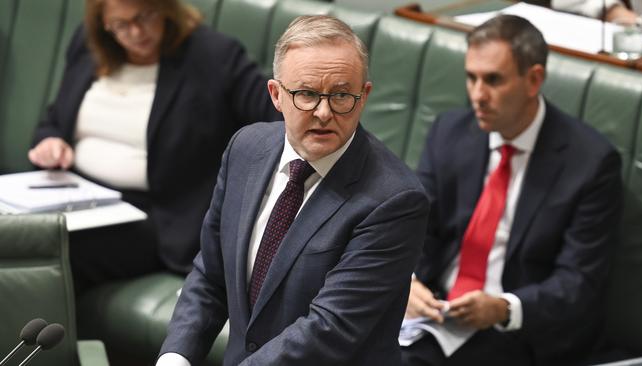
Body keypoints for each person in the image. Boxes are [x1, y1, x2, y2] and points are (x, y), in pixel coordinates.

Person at [156, 15, 429, 366]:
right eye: (307, 94)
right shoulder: (245, 149)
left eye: (342, 95)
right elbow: (211, 274)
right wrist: (176, 357)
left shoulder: (395, 200)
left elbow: (329, 329)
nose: (324, 112)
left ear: (364, 97)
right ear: (276, 94)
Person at [401, 15, 622, 366]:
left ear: (533, 79)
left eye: (493, 80)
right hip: (438, 311)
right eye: (471, 78)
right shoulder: (450, 133)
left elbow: (580, 282)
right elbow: (414, 225)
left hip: (518, 330)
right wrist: (408, 282)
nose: (477, 95)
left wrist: (505, 308)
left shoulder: (591, 163)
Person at [28, 0, 280, 291]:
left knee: (45, 253)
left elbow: (277, 114)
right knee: (21, 242)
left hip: (155, 218)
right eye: (121, 25)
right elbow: (55, 119)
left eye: (144, 17)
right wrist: (50, 141)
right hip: (70, 196)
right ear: (105, 25)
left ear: (165, 9)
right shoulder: (90, 44)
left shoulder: (213, 55)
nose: (135, 32)